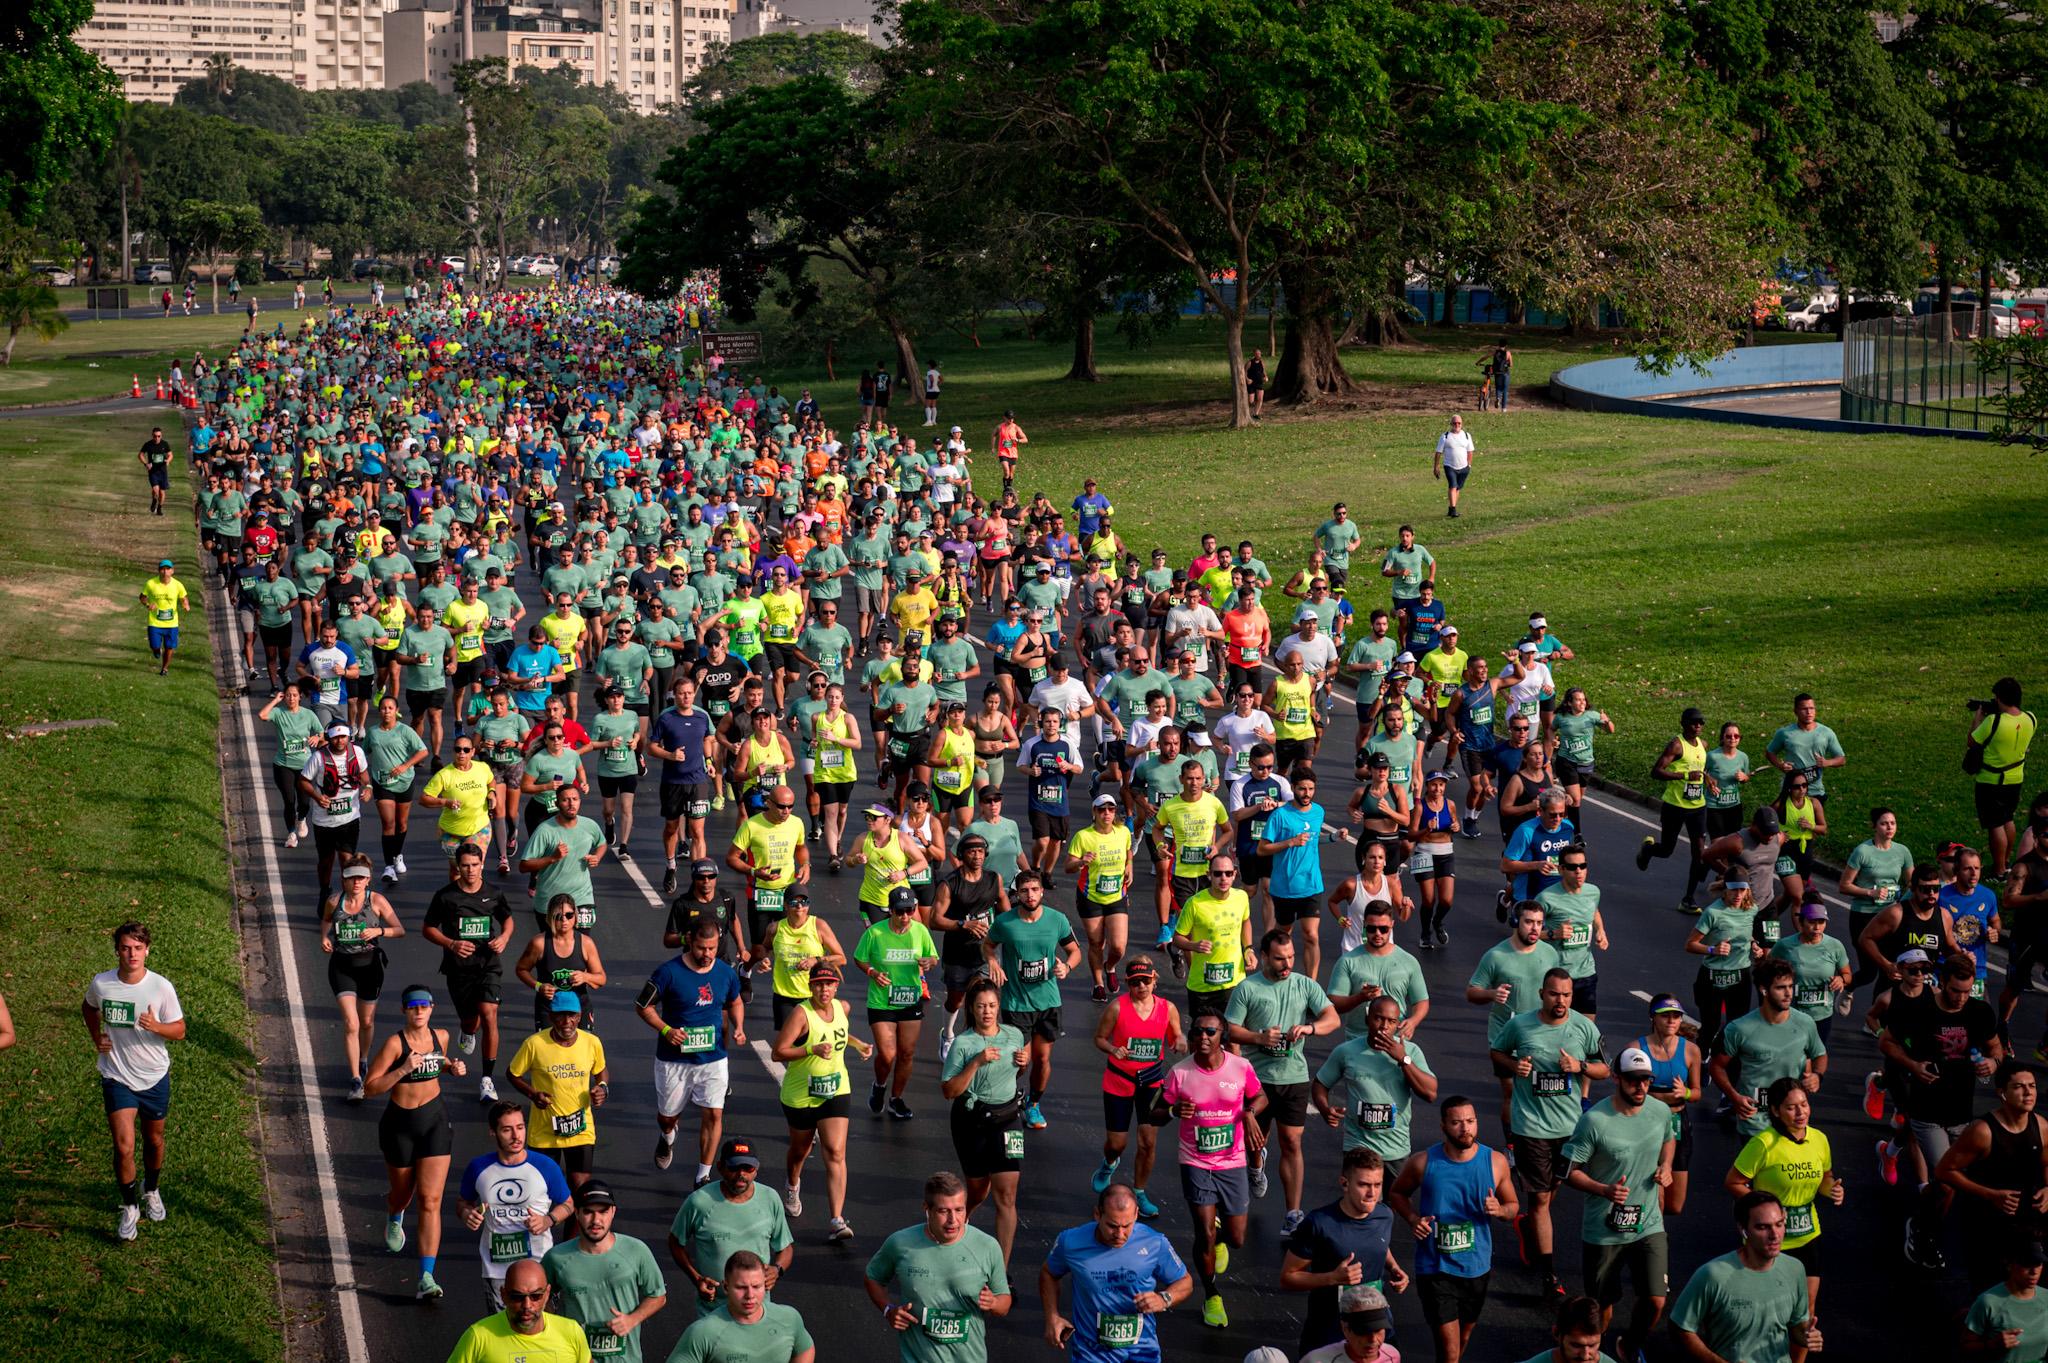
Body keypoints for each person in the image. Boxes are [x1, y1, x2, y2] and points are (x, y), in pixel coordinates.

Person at [1488, 969, 1609, 1299]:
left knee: (1554, 1188)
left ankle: (1529, 1226)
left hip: (1569, 1128)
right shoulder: (1520, 1025)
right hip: (1531, 1126)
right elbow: (1497, 1052)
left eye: (1567, 995)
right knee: (1540, 1198)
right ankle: (1548, 1274)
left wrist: (1579, 1067)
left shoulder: (1584, 1027)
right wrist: (1515, 1068)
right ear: (1543, 993)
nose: (1562, 1001)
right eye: (1555, 994)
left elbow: (1604, 1068)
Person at [1883, 950, 2004, 1271]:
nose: (1961, 998)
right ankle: (1923, 1233)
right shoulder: (1919, 1009)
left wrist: (1993, 1062)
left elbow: (1996, 1047)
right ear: (1942, 984)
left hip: (1962, 1112)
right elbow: (1887, 1041)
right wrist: (1913, 1064)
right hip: (1926, 1111)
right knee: (1948, 1180)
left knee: (1953, 1184)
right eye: (1955, 991)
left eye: (1967, 991)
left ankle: (1926, 1223)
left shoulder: (1979, 1012)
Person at [1562, 1047, 1676, 1360]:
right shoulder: (1595, 1121)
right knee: (1602, 1308)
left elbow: (1669, 1138)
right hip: (1604, 1229)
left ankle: (1630, 1344)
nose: (1640, 1086)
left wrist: (1666, 1166)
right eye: (1632, 1080)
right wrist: (1604, 1190)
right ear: (1616, 1078)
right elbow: (1569, 1172)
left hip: (1648, 1222)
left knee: (1655, 1300)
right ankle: (1593, 1357)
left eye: (1646, 1080)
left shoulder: (1660, 1111)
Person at [1387, 1096, 1519, 1363]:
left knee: (1462, 1341)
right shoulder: (1423, 1162)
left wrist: (1499, 1210)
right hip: (1435, 1268)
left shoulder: (1495, 1162)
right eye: (1457, 1122)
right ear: (1443, 1126)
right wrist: (1413, 1219)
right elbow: (1397, 1193)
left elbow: (1513, 1206)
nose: (1465, 1128)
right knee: (1449, 1351)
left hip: (1476, 1266)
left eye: (1470, 1121)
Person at [1229, 928, 1342, 1230]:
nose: (1287, 963)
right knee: (1254, 1141)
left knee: (1292, 1142)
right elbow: (1231, 1030)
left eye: (1291, 957)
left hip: (1294, 1077)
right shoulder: (1247, 988)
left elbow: (1332, 1019)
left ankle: (1293, 1214)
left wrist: (1310, 1029)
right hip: (1257, 1080)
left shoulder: (1305, 985)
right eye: (1280, 959)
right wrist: (1258, 1037)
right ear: (1264, 956)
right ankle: (1255, 1166)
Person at [1162, 1009, 1266, 1328]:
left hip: (1232, 1162)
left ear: (1223, 1036)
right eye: (1198, 1032)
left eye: (1210, 1032)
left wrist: (1249, 1113)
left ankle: (1221, 1236)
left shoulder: (1240, 1067)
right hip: (1195, 1161)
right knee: (1202, 1232)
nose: (1203, 1037)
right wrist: (1172, 1108)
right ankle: (1211, 1294)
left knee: (1235, 1238)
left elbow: (1260, 1096)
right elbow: (1154, 1113)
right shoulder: (1179, 1073)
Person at [83, 921, 186, 1242]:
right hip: (117, 1076)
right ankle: (130, 1208)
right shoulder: (102, 984)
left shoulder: (160, 987)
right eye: (126, 948)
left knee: (154, 1141)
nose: (132, 954)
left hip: (154, 1076)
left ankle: (151, 1188)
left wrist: (156, 1026)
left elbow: (180, 1030)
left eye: (138, 948)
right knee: (124, 1147)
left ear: (147, 950)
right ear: (117, 950)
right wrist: (96, 1037)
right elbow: (88, 1008)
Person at [365, 984, 465, 1299]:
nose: (419, 1011)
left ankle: (426, 1276)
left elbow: (441, 1059)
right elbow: (371, 1087)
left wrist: (452, 1067)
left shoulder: (442, 1036)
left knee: (431, 1200)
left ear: (432, 1008)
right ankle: (395, 1214)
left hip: (434, 1121)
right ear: (404, 1011)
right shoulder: (395, 1044)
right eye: (413, 1007)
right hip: (399, 1125)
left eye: (424, 1006)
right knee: (403, 1194)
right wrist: (403, 1070)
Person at [636, 919, 745, 1183]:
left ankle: (702, 1175)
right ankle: (668, 1135)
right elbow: (643, 1006)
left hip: (713, 1058)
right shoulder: (668, 972)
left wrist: (739, 1026)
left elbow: (736, 1001)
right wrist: (666, 1030)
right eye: (701, 948)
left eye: (712, 948)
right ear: (689, 942)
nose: (707, 954)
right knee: (667, 1117)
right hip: (674, 1061)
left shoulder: (725, 973)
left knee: (714, 1113)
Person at [862, 1170, 1013, 1359]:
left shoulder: (987, 1246)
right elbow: (873, 1277)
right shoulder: (901, 1243)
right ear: (927, 1208)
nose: (953, 1220)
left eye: (959, 1210)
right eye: (943, 1211)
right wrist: (888, 1310)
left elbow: (1004, 1302)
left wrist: (994, 1303)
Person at [770, 961, 872, 1241]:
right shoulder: (801, 1014)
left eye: (828, 984)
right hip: (801, 1093)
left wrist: (858, 1043)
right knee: (800, 1150)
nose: (823, 989)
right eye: (818, 984)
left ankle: (837, 1219)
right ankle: (792, 1184)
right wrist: (810, 1049)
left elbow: (839, 1033)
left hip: (835, 1089)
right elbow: (778, 1053)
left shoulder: (843, 1007)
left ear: (836, 986)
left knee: (836, 1152)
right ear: (810, 986)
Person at [1041, 1184, 1195, 1363]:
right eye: (1112, 1226)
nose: (1120, 1234)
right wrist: (1052, 1316)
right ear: (1098, 1214)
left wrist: (1164, 1299)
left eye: (1127, 1226)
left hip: (1142, 1352)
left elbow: (1185, 1281)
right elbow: (1048, 1274)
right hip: (1091, 1354)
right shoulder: (1071, 1242)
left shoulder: (1154, 1242)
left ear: (1137, 1214)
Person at [1281, 1149, 1412, 1357]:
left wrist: (1394, 1267)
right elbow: (1288, 1277)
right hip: (1329, 1329)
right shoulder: (1319, 1223)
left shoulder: (1384, 1215)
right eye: (1363, 1185)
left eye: (1377, 1185)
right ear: (1344, 1183)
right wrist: (1332, 1278)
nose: (1372, 1193)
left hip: (1376, 1324)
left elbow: (1380, 1244)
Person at [1726, 1077, 1839, 1316]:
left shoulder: (1819, 1139)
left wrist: (1832, 1189)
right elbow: (1733, 1182)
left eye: (1804, 1104)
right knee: (1764, 1311)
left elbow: (1826, 1177)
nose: (1800, 1112)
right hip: (1768, 1239)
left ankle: (1793, 1355)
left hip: (1808, 1235)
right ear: (1776, 1111)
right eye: (1791, 1107)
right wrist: (1767, 1208)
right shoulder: (1763, 1143)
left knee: (1806, 1310)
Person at [1668, 1191, 1818, 1363]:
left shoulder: (1795, 1269)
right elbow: (1680, 1328)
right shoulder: (1713, 1275)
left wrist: (1806, 1335)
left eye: (1779, 1224)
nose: (1775, 1235)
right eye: (1763, 1227)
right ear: (1743, 1229)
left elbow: (1796, 1325)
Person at [983, 869, 1081, 1129]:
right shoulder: (1005, 922)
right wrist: (993, 963)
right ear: (1018, 894)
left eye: (1035, 890)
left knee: (1043, 1059)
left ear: (1042, 892)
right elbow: (988, 945)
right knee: (1019, 1061)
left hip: (1048, 1001)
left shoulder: (1057, 920)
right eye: (1025, 891)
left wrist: (1067, 968)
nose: (1030, 895)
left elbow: (1074, 951)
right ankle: (1006, 1095)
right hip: (1016, 1003)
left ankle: (1033, 1104)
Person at [940, 977, 1029, 1261]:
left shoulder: (1014, 1035)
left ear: (998, 1006)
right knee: (978, 1190)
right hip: (972, 1121)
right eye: (981, 1006)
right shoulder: (964, 1043)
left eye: (991, 1005)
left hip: (1008, 1120)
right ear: (972, 1009)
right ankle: (962, 1221)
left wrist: (1022, 1065)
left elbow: (1014, 1075)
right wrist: (976, 1062)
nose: (987, 1011)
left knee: (1007, 1197)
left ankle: (1001, 1270)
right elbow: (949, 1090)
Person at [1938, 1060, 2048, 1291]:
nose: (2028, 1092)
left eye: (2032, 1086)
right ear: (2002, 1093)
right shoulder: (1983, 1131)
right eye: (2019, 1087)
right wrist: (1990, 1195)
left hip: (2028, 1221)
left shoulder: (2041, 1126)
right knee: (1989, 1290)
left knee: (2028, 1287)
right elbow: (1945, 1170)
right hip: (1987, 1223)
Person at [420, 843, 517, 1102]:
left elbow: (507, 919)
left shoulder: (494, 893)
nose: (470, 870)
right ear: (458, 867)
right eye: (465, 865)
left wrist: (505, 938)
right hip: (459, 970)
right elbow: (428, 928)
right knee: (470, 1020)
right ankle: (468, 1030)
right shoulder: (446, 897)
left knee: (489, 1014)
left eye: (475, 865)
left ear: (482, 864)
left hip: (489, 965)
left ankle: (486, 1079)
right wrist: (451, 943)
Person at [1314, 993, 1439, 1188]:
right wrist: (1324, 1108)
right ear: (1367, 1019)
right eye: (1379, 1018)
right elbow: (1320, 1084)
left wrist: (1403, 1059)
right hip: (1358, 1146)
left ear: (1398, 1024)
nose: (1384, 1026)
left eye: (1391, 1021)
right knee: (1360, 1207)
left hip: (1395, 1149)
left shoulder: (1410, 1051)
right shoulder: (1346, 1051)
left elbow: (1430, 1093)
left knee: (1391, 1209)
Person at [457, 1100, 572, 1310]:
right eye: (507, 1130)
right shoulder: (478, 1167)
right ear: (493, 1132)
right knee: (503, 1334)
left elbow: (568, 1204)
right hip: (497, 1268)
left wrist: (548, 1220)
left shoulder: (544, 1166)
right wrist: (466, 1213)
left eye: (520, 1128)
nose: (516, 1136)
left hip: (539, 1263)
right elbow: (463, 1202)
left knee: (542, 1333)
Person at [1465, 900, 1563, 1144]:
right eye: (1529, 922)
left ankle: (1540, 1140)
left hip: (1542, 1036)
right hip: (1506, 1039)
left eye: (1539, 923)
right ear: (1516, 922)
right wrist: (1491, 994)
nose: (1534, 928)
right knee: (1511, 1093)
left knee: (1541, 1092)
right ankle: (1512, 1145)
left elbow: (1559, 991)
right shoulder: (1496, 956)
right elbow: (1472, 991)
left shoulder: (1550, 954)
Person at [1091, 953, 1180, 1215]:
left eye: (1145, 981)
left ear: (1155, 980)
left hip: (1151, 1081)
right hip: (1119, 1081)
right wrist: (1112, 1049)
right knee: (1117, 1143)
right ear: (1128, 984)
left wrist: (1180, 1042)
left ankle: (1139, 1192)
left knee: (1147, 1142)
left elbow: (1174, 1038)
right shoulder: (1117, 1008)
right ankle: (1109, 1163)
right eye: (1134, 982)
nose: (1141, 986)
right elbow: (1099, 1038)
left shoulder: (1167, 1009)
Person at [542, 1180, 669, 1363]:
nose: (596, 1220)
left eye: (603, 1211)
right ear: (576, 1213)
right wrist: (559, 1332)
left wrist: (632, 1319)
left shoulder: (636, 1250)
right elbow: (539, 1298)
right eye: (588, 1212)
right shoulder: (556, 1257)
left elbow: (658, 1296)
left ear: (613, 1212)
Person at [667, 1137, 795, 1318]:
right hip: (713, 1313)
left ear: (756, 1170)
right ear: (720, 1167)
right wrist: (696, 1278)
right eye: (734, 1167)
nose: (741, 1174)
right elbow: (675, 1241)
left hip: (759, 1312)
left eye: (748, 1168)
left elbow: (785, 1247)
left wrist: (777, 1269)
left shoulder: (770, 1199)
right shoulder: (699, 1202)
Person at [1713, 957, 1828, 1144]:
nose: (1788, 993)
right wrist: (1734, 1097)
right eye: (1781, 988)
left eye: (1790, 986)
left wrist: (1817, 1075)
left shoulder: (1805, 1023)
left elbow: (1820, 1054)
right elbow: (1717, 1066)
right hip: (1755, 1120)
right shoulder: (1739, 1028)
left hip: (1792, 1117)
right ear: (1764, 990)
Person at [320, 854, 405, 1099]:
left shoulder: (377, 901)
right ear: (344, 880)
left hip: (370, 968)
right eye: (351, 878)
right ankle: (356, 1079)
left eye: (361, 878)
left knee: (366, 1022)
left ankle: (364, 1057)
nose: (356, 882)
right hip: (341, 967)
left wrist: (379, 930)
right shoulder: (334, 901)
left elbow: (400, 930)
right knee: (351, 1023)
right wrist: (324, 938)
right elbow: (326, 921)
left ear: (368, 880)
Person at [853, 885, 941, 1120]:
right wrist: (872, 972)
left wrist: (929, 963)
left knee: (907, 1054)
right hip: (881, 1001)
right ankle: (880, 1085)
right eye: (900, 911)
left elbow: (933, 957)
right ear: (890, 910)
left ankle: (896, 1099)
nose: (905, 917)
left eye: (910, 911)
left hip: (910, 999)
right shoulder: (875, 933)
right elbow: (859, 958)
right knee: (888, 1054)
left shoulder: (920, 932)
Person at [509, 992, 610, 1190]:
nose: (566, 1021)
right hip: (545, 1132)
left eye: (571, 1015)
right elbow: (513, 1074)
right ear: (551, 1016)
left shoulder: (592, 1042)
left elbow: (601, 1070)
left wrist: (603, 1088)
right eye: (560, 1015)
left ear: (579, 1016)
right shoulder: (535, 1044)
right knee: (543, 1191)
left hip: (581, 1129)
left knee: (579, 1188)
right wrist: (532, 1094)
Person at [665, 1251, 815, 1362]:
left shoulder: (788, 1318)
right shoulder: (703, 1332)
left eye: (756, 1286)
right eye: (741, 1287)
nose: (750, 1295)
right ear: (725, 1287)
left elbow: (805, 1350)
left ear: (766, 1284)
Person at [444, 1258, 593, 1362]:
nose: (527, 1305)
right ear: (504, 1295)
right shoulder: (478, 1336)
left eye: (535, 1296)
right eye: (517, 1297)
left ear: (547, 1294)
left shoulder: (571, 1331)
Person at [1635, 707, 1711, 913]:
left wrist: (1709, 779)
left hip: (1697, 806)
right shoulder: (1676, 745)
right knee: (1667, 850)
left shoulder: (1704, 745)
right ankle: (1649, 850)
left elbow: (1700, 769)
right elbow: (1656, 771)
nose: (1698, 726)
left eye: (1701, 723)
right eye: (1694, 722)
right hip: (1675, 806)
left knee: (1699, 852)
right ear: (1683, 723)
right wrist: (1685, 776)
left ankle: (1688, 899)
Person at [1839, 806, 1913, 1016]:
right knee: (1869, 971)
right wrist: (1871, 893)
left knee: (1888, 970)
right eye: (1884, 823)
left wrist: (1901, 902)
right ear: (1874, 826)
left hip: (1889, 917)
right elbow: (1844, 886)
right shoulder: (1863, 852)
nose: (1889, 827)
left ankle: (1874, 1018)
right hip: (1863, 915)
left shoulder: (1902, 851)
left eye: (1892, 823)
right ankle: (1849, 987)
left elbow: (1912, 883)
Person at [1066, 792, 1137, 1000]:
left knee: (1118, 946)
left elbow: (1128, 851)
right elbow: (1068, 867)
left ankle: (1110, 967)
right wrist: (1081, 862)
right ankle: (1098, 984)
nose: (1106, 813)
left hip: (1116, 896)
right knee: (1096, 943)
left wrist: (1129, 866)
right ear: (1094, 812)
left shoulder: (1122, 832)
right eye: (1102, 809)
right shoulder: (1083, 836)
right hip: (1090, 897)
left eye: (1111, 809)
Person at [1968, 678, 2036, 878]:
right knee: (2008, 819)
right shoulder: (2031, 718)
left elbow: (1972, 740)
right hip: (2015, 779)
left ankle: (1998, 870)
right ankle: (2006, 861)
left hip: (1991, 781)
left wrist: (1978, 717)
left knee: (1995, 824)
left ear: (1999, 698)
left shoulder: (1993, 721)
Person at [517, 895, 608, 1034]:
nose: (564, 920)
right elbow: (521, 969)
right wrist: (538, 986)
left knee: (581, 1054)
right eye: (559, 916)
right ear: (550, 918)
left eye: (569, 915)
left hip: (579, 1007)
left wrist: (585, 977)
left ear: (575, 916)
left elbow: (601, 978)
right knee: (549, 1054)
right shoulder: (539, 943)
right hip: (549, 1008)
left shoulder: (586, 943)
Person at [1961, 1238, 2048, 1362]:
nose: (2034, 1271)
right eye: (2027, 1264)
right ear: (2009, 1265)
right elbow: (1965, 1347)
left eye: (2038, 1264)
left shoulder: (2046, 1298)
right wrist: (1991, 1345)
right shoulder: (1988, 1301)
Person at [1764, 692, 1845, 805]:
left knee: (1815, 823)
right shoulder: (1785, 733)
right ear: (1795, 711)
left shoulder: (1826, 732)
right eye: (1804, 709)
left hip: (1815, 792)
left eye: (1812, 708)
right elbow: (1770, 752)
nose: (1809, 712)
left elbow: (1841, 759)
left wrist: (1827, 762)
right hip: (1791, 791)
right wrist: (1780, 765)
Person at [140, 558, 192, 675]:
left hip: (172, 624)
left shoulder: (178, 585)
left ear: (172, 571)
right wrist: (148, 604)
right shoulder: (151, 583)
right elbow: (142, 597)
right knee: (155, 646)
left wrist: (185, 604)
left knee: (169, 647)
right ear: (159, 571)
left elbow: (184, 597)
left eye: (168, 569)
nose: (165, 572)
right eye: (162, 569)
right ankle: (157, 650)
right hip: (155, 623)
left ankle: (164, 669)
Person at [1431, 416, 1475, 518]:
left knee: (1458, 488)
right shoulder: (1445, 437)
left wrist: (1469, 465)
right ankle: (1453, 509)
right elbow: (1438, 452)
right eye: (1455, 423)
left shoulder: (1466, 436)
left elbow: (1470, 451)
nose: (1457, 425)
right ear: (1451, 424)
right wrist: (1436, 467)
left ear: (1462, 424)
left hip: (1464, 467)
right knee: (1453, 486)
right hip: (1449, 466)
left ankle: (1451, 509)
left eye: (1459, 423)